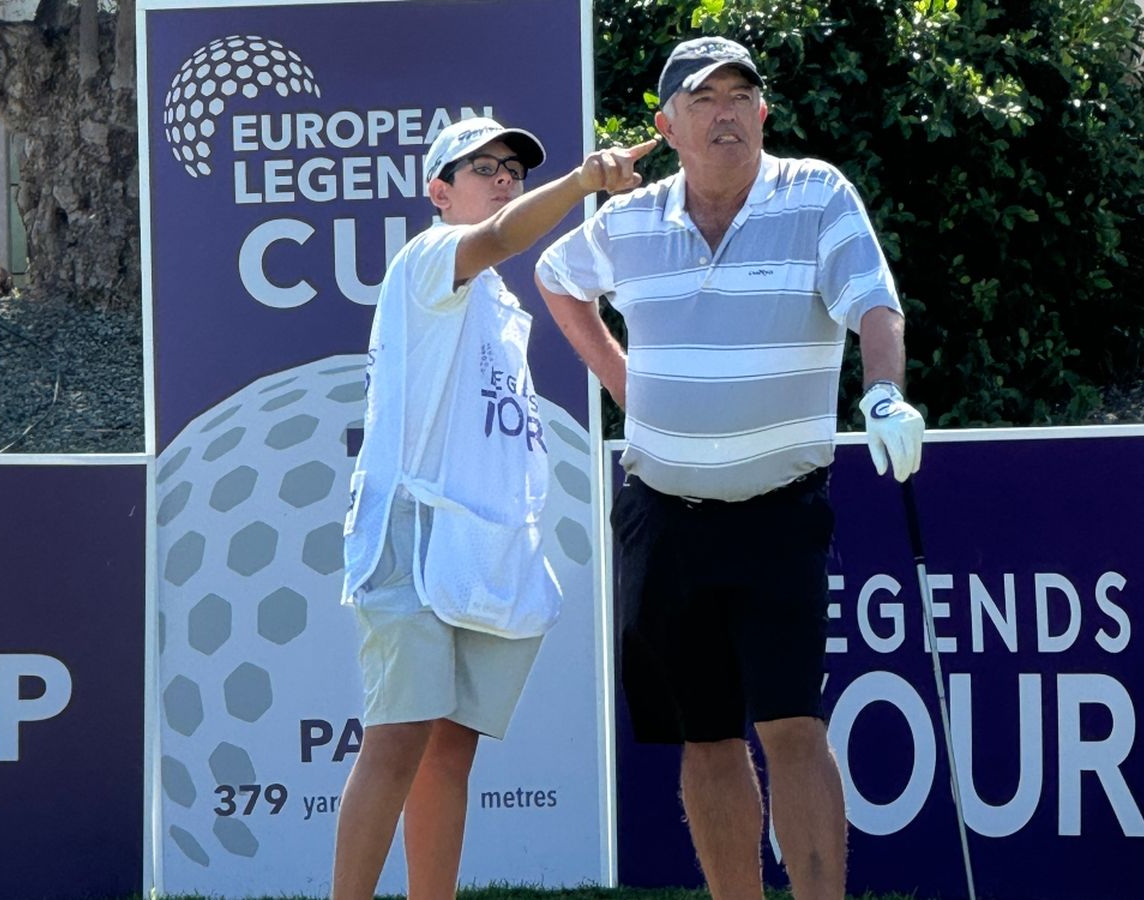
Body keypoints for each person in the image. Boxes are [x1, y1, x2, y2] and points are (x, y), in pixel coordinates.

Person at [534, 37, 925, 900]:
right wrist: (625, 385)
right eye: (703, 99)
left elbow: (874, 304)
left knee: (794, 726)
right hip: (662, 513)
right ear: (667, 124)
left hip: (778, 512)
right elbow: (556, 278)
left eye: (741, 95)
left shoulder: (817, 193)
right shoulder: (630, 222)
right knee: (704, 735)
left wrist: (887, 395)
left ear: (763, 113)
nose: (726, 113)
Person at [332, 116, 653, 900]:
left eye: (512, 165)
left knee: (450, 750)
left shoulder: (502, 307)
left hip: (481, 544)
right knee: (399, 738)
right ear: (439, 193)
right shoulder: (430, 257)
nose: (503, 176)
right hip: (413, 534)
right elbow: (505, 235)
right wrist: (581, 182)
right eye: (481, 167)